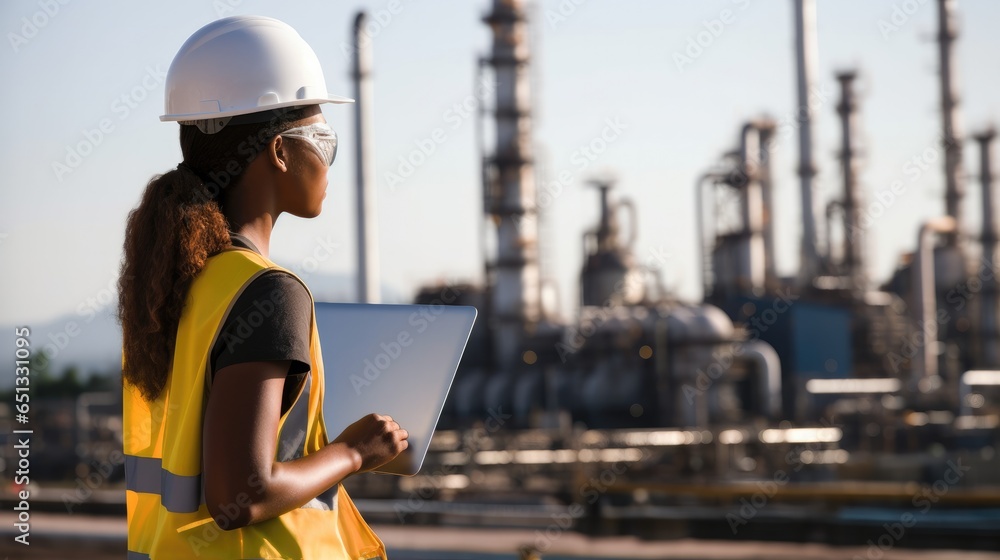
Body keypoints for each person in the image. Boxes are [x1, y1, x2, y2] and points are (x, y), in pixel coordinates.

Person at [117, 15, 407, 559]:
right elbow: (238, 498)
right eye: (322, 139)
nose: (327, 160)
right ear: (279, 151)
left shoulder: (174, 285)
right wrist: (352, 451)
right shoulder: (269, 293)